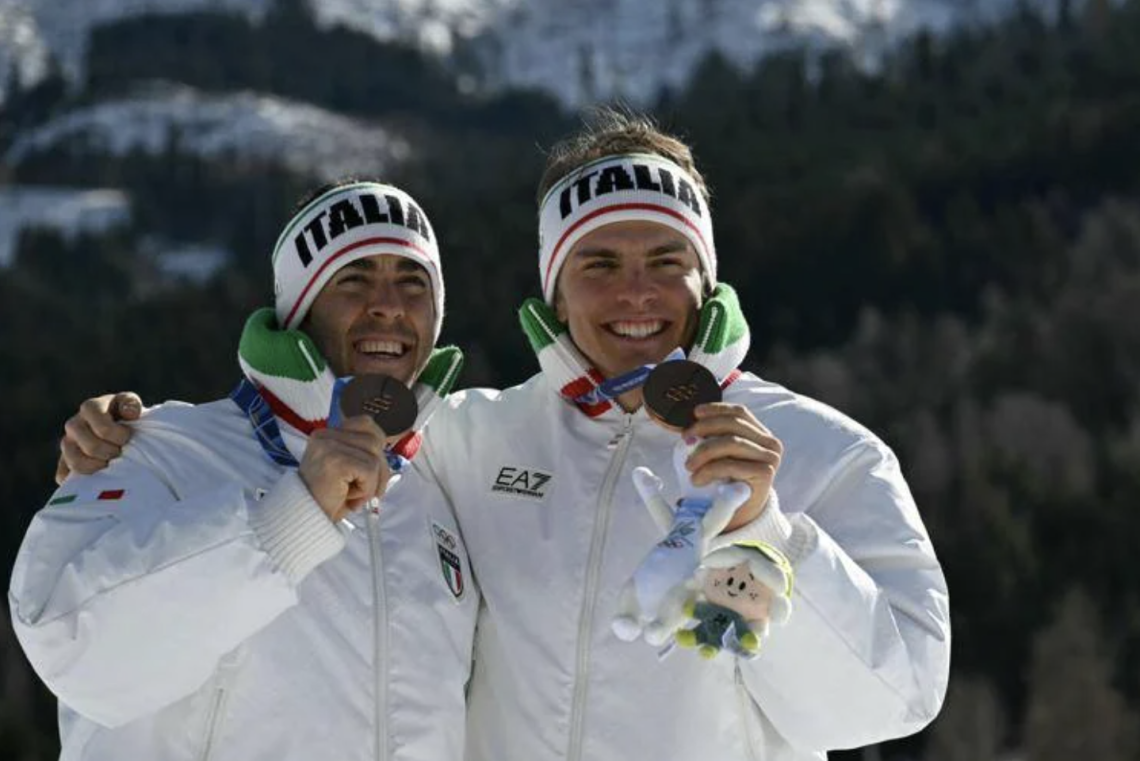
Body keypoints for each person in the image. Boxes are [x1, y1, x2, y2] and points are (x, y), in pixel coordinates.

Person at [51, 112, 950, 760]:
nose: (634, 294)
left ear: (706, 278)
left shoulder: (825, 452)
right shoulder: (468, 441)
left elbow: (898, 697)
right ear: (555, 292)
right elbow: (291, 453)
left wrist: (768, 533)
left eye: (664, 262)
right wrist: (128, 440)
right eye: (599, 264)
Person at [9, 180, 478, 761]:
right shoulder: (156, 450)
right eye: (353, 279)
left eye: (413, 282)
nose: (389, 304)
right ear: (299, 309)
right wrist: (291, 517)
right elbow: (63, 635)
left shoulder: (446, 480)